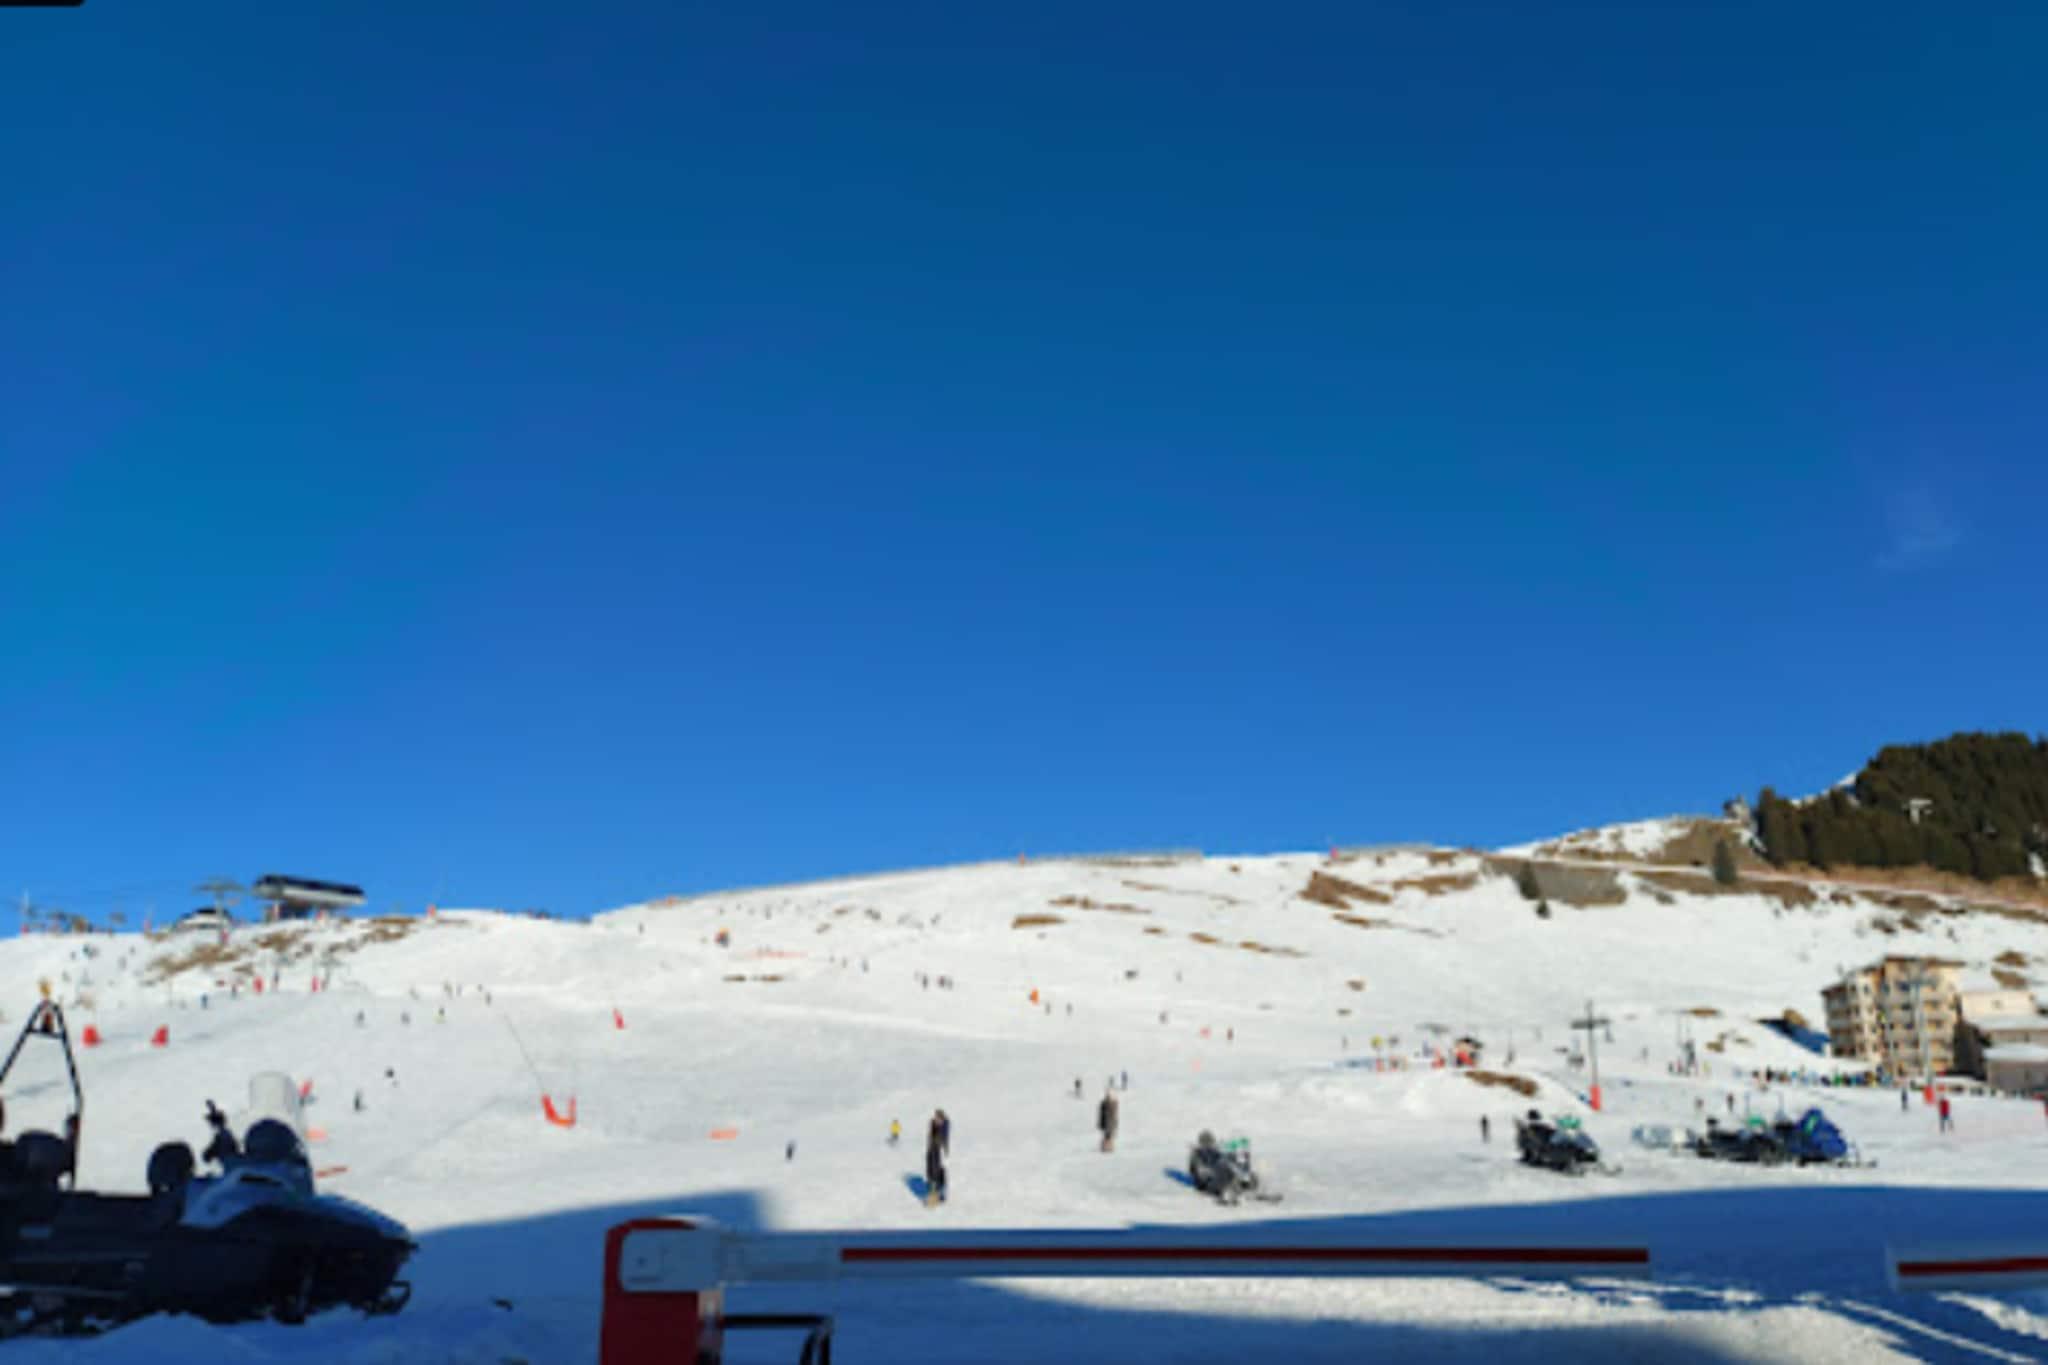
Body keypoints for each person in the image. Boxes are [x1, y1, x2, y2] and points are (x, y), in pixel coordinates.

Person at [925, 1110, 949, 1206]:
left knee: (938, 1171)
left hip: (939, 1150)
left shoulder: (944, 1127)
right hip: (932, 1149)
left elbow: (943, 1139)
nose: (936, 1119)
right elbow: (931, 1137)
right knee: (930, 1169)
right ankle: (932, 1193)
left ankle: (938, 1195)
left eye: (938, 1118)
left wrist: (939, 1142)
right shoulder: (933, 1125)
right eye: (936, 1118)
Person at [1098, 1088, 1120, 1153]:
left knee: (1108, 1135)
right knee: (1107, 1135)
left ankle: (1108, 1147)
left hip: (1109, 1123)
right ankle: (1106, 1147)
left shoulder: (1109, 1104)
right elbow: (1101, 1114)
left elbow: (1114, 1113)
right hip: (1107, 1123)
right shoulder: (1104, 1104)